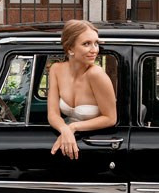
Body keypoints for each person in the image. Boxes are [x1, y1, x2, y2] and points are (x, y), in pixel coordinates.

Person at [45, 18, 117, 158]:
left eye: (96, 43)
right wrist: (64, 130)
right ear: (70, 49)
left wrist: (73, 127)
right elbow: (53, 114)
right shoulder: (56, 70)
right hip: (67, 139)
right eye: (86, 44)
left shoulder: (96, 75)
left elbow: (110, 118)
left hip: (93, 144)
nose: (94, 50)